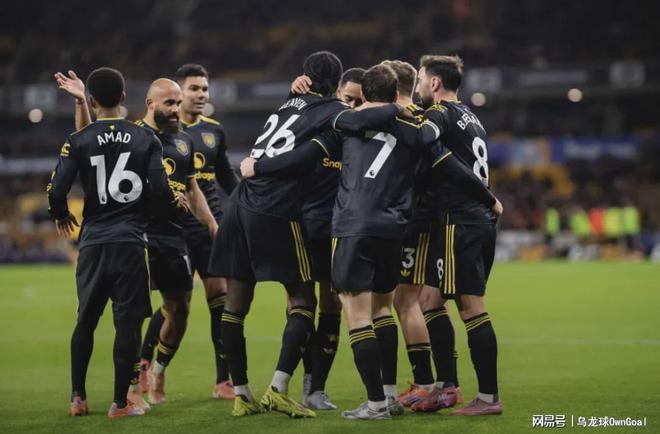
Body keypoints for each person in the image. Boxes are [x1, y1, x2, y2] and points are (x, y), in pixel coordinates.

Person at [49, 67, 180, 418]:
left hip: (93, 243)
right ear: (124, 98)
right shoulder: (146, 139)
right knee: (128, 324)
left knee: (85, 321)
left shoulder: (78, 140)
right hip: (130, 243)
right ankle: (120, 403)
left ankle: (78, 398)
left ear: (91, 101)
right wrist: (164, 207)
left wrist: (61, 214)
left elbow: (57, 189)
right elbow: (162, 191)